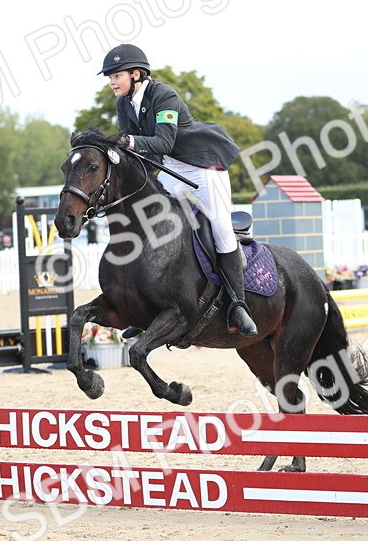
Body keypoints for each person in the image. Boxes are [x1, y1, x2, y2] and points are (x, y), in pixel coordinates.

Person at [98, 43, 257, 337]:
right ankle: (146, 308)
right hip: (171, 169)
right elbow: (139, 151)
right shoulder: (123, 104)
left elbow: (163, 142)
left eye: (116, 76)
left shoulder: (164, 95)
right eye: (109, 77)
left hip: (202, 166)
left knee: (221, 227)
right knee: (151, 219)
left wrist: (128, 142)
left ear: (135, 74)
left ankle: (238, 304)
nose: (111, 82)